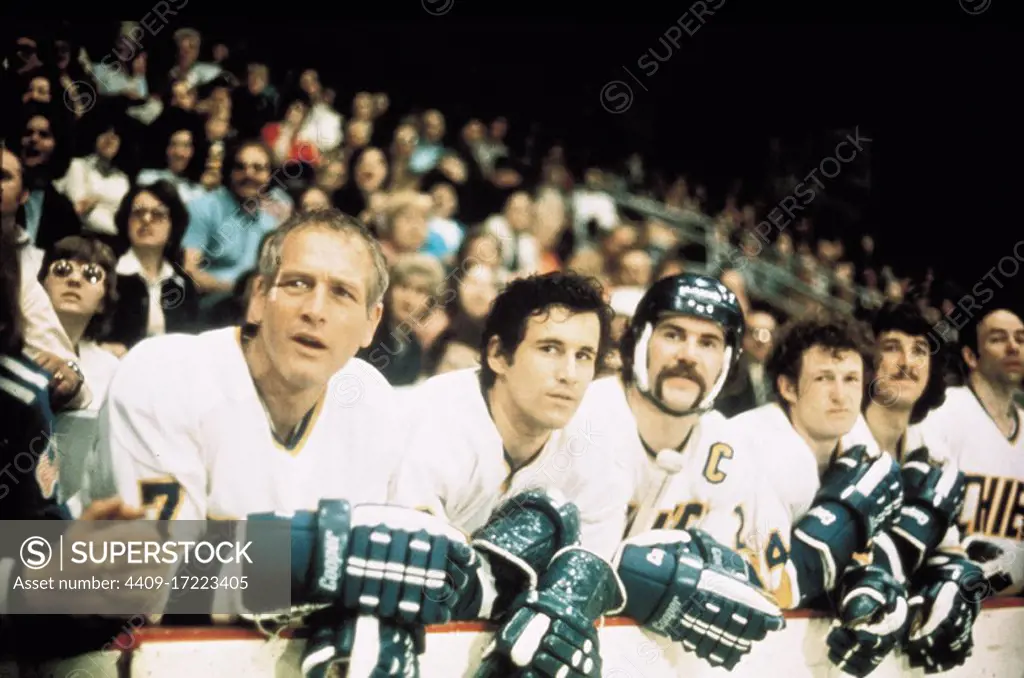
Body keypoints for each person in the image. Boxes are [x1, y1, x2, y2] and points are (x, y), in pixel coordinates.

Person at [95, 209, 478, 674]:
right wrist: (313, 560)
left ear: (370, 324)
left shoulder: (372, 399)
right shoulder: (164, 373)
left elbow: (417, 557)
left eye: (342, 293)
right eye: (297, 283)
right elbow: (146, 582)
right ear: (259, 296)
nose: (315, 309)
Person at [389, 272, 629, 677]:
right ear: (498, 354)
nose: (569, 374)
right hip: (268, 586)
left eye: (584, 355)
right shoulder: (436, 418)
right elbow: (405, 580)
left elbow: (581, 587)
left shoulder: (597, 453)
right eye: (550, 349)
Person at [562, 273, 787, 672]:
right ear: (639, 341)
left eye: (709, 342)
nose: (688, 354)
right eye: (673, 334)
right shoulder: (578, 418)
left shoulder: (730, 446)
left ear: (729, 360)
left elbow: (774, 582)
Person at [731, 311, 905, 678]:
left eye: (851, 379)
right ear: (788, 387)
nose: (841, 395)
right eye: (824, 378)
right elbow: (779, 588)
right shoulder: (761, 446)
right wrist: (846, 523)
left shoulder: (855, 432)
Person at [842, 301, 980, 674]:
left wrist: (954, 584)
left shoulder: (933, 449)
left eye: (920, 350)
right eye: (892, 347)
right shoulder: (839, 436)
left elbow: (948, 553)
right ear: (868, 360)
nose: (908, 361)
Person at [920, 307, 1024, 598]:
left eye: (1021, 338)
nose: (1013, 346)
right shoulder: (944, 411)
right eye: (998, 338)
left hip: (1011, 608)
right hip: (947, 595)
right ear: (970, 356)